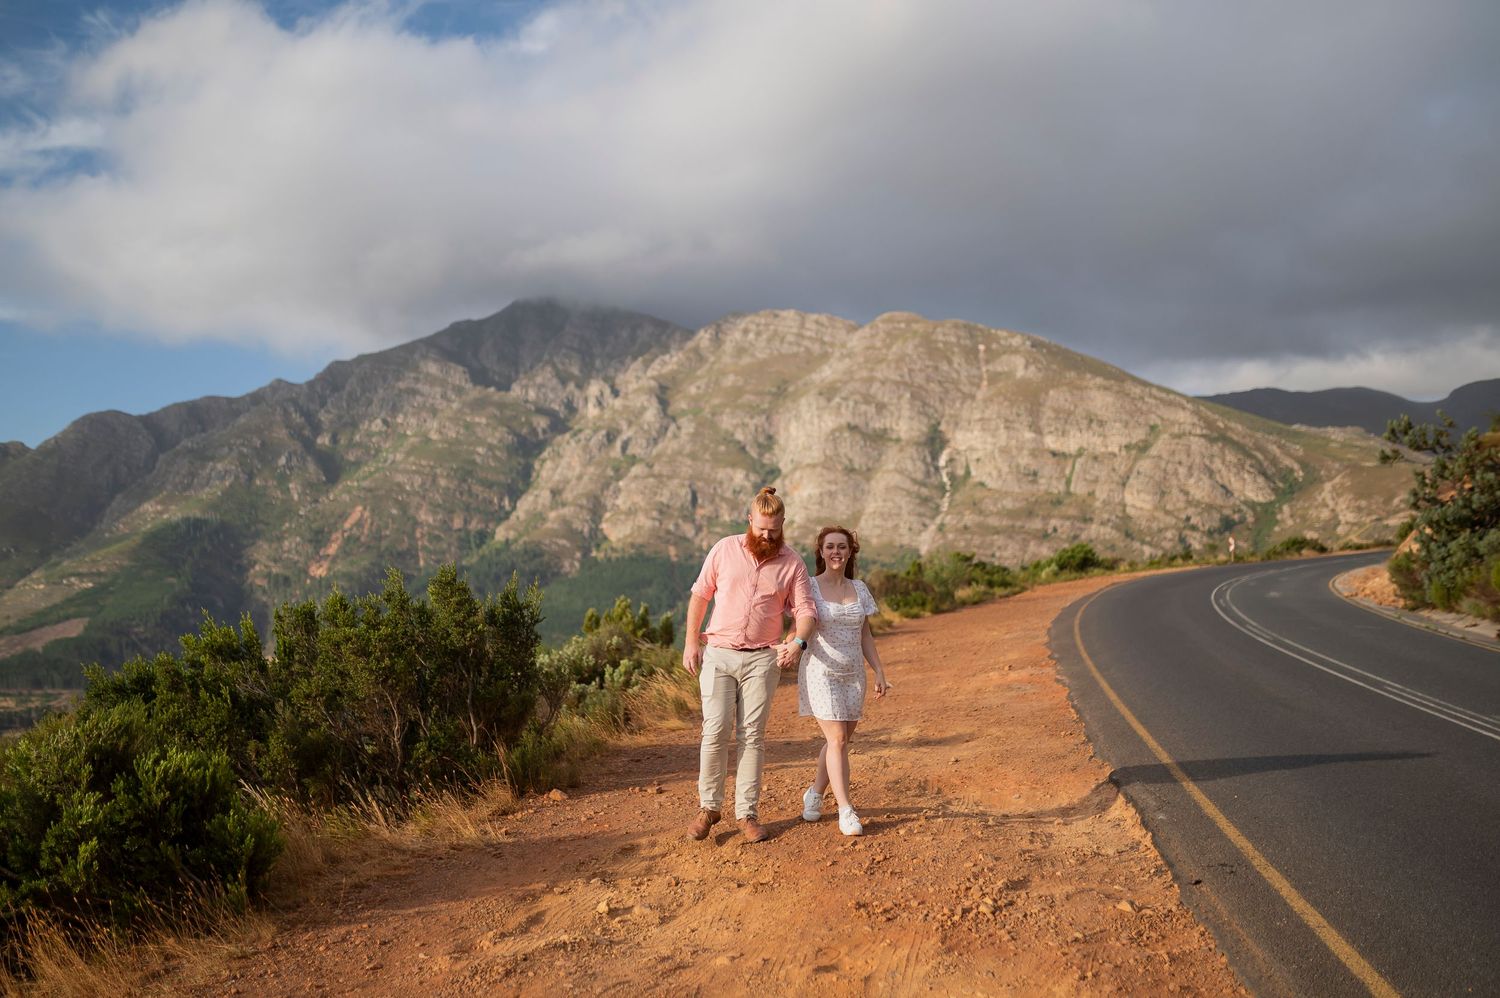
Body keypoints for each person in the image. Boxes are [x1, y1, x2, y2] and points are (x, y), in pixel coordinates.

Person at [682, 487, 817, 843]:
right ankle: (708, 808)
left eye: (774, 530)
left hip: (762, 658)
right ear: (749, 521)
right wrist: (690, 641)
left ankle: (747, 814)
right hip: (719, 654)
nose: (767, 536)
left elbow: (805, 612)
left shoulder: (792, 563)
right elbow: (700, 594)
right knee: (714, 731)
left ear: (782, 524)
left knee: (752, 736)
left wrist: (797, 643)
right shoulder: (724, 549)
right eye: (761, 529)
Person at [798, 525, 890, 836]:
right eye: (830, 547)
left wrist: (878, 670)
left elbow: (865, 633)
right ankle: (846, 810)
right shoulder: (808, 587)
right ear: (820, 552)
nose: (835, 552)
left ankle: (814, 793)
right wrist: (789, 646)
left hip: (853, 674)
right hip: (821, 671)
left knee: (840, 741)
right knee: (837, 740)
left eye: (841, 547)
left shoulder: (860, 588)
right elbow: (801, 624)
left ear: (850, 552)